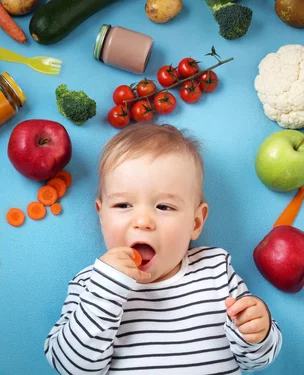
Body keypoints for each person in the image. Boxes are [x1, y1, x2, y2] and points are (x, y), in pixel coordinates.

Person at [44, 123, 282, 374]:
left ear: (195, 222)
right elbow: (71, 368)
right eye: (123, 205)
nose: (143, 222)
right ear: (101, 216)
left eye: (164, 207)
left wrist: (257, 331)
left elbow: (255, 361)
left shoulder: (215, 271)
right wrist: (106, 290)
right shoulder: (91, 284)